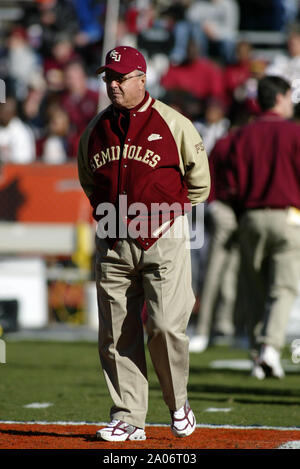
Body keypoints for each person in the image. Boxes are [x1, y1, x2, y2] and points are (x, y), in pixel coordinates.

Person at [77, 45, 210, 441]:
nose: (113, 86)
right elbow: (88, 180)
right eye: (108, 79)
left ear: (141, 78)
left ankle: (178, 402)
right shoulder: (95, 128)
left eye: (120, 78)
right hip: (113, 238)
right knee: (116, 334)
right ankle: (128, 416)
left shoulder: (174, 122)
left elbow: (199, 182)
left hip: (163, 235)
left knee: (166, 327)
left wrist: (170, 214)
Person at [229, 75, 300, 379]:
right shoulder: (295, 133)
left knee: (254, 289)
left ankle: (258, 355)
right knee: (283, 286)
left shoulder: (241, 135)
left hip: (250, 217)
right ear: (281, 97)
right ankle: (269, 348)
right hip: (288, 216)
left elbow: (229, 182)